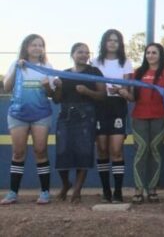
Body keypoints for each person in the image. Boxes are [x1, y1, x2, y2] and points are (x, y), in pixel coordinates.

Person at [1, 34, 54, 205]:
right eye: (34, 45)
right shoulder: (16, 64)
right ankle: (13, 193)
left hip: (41, 114)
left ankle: (45, 192)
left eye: (40, 45)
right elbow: (6, 87)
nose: (37, 48)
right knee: (18, 153)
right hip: (18, 115)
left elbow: (52, 93)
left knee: (40, 151)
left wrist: (48, 86)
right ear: (26, 47)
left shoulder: (47, 66)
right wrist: (17, 68)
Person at [52, 43, 105, 203]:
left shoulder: (94, 72)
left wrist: (87, 92)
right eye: (80, 52)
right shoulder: (64, 74)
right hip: (65, 115)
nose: (84, 55)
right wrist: (58, 87)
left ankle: (77, 190)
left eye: (86, 52)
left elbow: (102, 95)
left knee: (83, 153)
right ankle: (66, 184)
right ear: (72, 54)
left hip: (86, 115)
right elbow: (56, 99)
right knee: (62, 152)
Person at [129, 43, 164, 204]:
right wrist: (121, 92)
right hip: (139, 117)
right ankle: (138, 189)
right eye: (148, 52)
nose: (150, 55)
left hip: (160, 117)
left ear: (160, 54)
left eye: (154, 52)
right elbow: (132, 97)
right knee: (141, 150)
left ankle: (152, 189)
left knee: (155, 150)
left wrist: (163, 91)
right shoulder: (138, 72)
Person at [91, 29, 133, 203]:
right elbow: (91, 85)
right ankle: (106, 190)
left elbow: (129, 91)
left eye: (116, 40)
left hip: (117, 107)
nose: (113, 43)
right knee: (102, 150)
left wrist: (120, 90)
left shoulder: (126, 62)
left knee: (116, 150)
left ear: (120, 43)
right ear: (104, 42)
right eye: (109, 40)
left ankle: (118, 191)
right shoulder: (95, 62)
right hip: (99, 107)